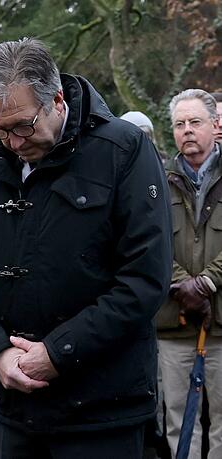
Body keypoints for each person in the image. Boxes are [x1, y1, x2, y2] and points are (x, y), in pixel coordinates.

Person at [0, 38, 171, 458]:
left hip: (102, 409)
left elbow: (144, 278)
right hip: (15, 407)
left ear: (57, 100)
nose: (11, 141)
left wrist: (60, 351)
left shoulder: (122, 150)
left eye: (23, 125)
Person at [158, 88, 222, 459]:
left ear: (214, 125)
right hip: (174, 323)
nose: (187, 131)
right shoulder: (156, 182)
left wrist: (208, 282)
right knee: (179, 421)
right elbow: (147, 240)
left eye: (195, 122)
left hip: (221, 323)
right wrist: (183, 284)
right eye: (179, 124)